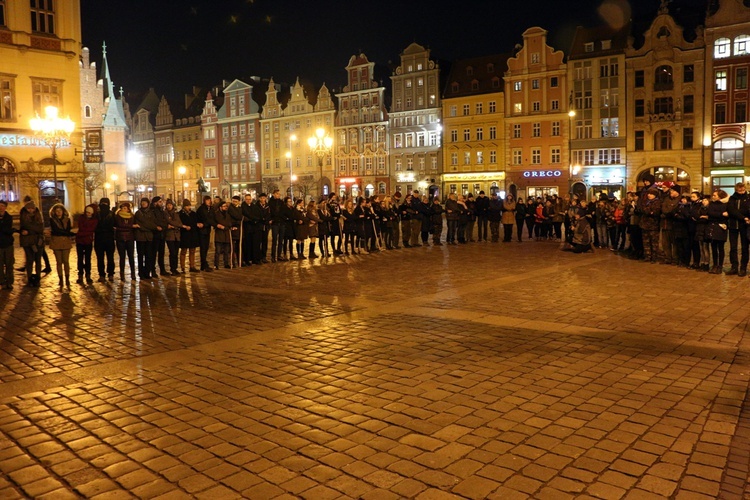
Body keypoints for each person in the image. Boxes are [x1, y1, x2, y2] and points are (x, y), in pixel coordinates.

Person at [19, 196, 44, 287]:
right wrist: (34, 229)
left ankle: (37, 278)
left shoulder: (38, 216)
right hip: (27, 242)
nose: (31, 210)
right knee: (29, 260)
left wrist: (29, 230)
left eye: (32, 208)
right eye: (29, 208)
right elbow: (23, 227)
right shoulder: (23, 216)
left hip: (38, 241)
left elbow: (40, 228)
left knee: (38, 260)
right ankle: (29, 278)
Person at [726, 182, 749, 276]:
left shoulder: (748, 198)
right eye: (740, 189)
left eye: (743, 189)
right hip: (733, 225)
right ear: (736, 189)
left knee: (745, 248)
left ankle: (743, 268)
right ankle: (734, 267)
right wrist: (743, 217)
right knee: (733, 247)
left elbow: (747, 210)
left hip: (744, 226)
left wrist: (737, 213)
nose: (741, 190)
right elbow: (731, 210)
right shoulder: (732, 198)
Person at [49, 203, 74, 289]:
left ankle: (67, 278)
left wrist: (66, 232)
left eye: (60, 210)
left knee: (66, 261)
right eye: (57, 211)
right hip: (56, 242)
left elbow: (67, 229)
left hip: (66, 242)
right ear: (54, 212)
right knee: (59, 262)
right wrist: (68, 233)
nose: (58, 212)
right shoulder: (52, 220)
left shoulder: (67, 220)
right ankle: (61, 279)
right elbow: (56, 231)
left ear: (63, 211)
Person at [706, 190, 730, 274]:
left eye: (715, 195)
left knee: (721, 247)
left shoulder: (726, 204)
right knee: (713, 247)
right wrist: (721, 214)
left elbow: (727, 215)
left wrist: (717, 215)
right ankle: (715, 265)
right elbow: (710, 213)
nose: (713, 196)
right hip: (713, 226)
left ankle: (720, 265)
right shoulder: (712, 204)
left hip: (721, 227)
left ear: (720, 196)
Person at [134, 197, 157, 280]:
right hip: (140, 237)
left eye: (145, 202)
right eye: (142, 202)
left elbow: (153, 224)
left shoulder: (151, 213)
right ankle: (141, 273)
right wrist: (150, 227)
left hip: (149, 237)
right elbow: (143, 223)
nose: (143, 204)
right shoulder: (138, 213)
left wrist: (149, 227)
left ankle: (147, 272)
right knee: (140, 256)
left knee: (148, 256)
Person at [94, 197, 116, 282]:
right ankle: (101, 274)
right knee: (100, 258)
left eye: (105, 203)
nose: (104, 205)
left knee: (110, 258)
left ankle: (110, 273)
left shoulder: (112, 214)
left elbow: (114, 224)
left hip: (109, 239)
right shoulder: (97, 214)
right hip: (99, 239)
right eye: (102, 203)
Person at [114, 201, 137, 280]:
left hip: (130, 238)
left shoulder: (132, 216)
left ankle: (133, 273)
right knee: (122, 257)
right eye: (122, 208)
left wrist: (119, 228)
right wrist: (131, 226)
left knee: (131, 257)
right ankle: (122, 274)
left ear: (128, 209)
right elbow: (120, 225)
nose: (123, 209)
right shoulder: (117, 216)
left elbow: (119, 227)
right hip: (120, 238)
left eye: (125, 208)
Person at [640, 188, 662, 263]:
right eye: (648, 193)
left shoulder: (657, 202)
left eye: (651, 194)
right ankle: (647, 256)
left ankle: (654, 257)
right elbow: (642, 209)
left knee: (654, 242)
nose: (649, 195)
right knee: (646, 242)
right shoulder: (646, 202)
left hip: (653, 225)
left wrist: (648, 211)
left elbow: (655, 212)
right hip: (644, 224)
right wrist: (648, 211)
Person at [178, 199, 200, 273]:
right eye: (187, 206)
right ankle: (183, 267)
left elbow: (195, 223)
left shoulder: (193, 214)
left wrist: (194, 226)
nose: (188, 207)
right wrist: (185, 227)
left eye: (189, 205)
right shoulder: (180, 214)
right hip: (184, 234)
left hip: (192, 234)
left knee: (192, 251)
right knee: (183, 251)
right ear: (184, 206)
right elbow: (179, 224)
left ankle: (192, 266)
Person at [249, 193, 271, 264]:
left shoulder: (267, 206)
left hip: (266, 226)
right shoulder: (256, 206)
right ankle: (258, 257)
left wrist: (267, 220)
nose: (262, 199)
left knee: (265, 242)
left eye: (264, 198)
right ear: (259, 199)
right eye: (261, 198)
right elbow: (255, 215)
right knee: (258, 242)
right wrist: (262, 219)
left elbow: (269, 215)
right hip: (259, 226)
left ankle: (263, 256)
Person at [150, 196, 169, 277]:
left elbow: (165, 221)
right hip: (155, 235)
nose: (162, 203)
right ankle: (153, 270)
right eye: (160, 202)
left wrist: (163, 225)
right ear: (155, 203)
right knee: (153, 254)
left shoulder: (162, 211)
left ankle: (162, 269)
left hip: (162, 235)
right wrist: (161, 225)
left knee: (161, 253)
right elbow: (155, 221)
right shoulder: (152, 211)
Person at [163, 199, 182, 275]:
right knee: (172, 252)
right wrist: (175, 224)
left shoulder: (176, 213)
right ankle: (172, 268)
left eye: (170, 205)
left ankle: (175, 268)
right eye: (168, 205)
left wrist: (174, 225)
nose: (169, 206)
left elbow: (179, 223)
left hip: (177, 236)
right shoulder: (165, 214)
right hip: (169, 236)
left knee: (176, 253)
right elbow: (168, 221)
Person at [212, 200, 232, 268]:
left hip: (226, 234)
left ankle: (226, 264)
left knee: (226, 251)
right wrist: (221, 226)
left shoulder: (228, 215)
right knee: (218, 251)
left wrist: (226, 227)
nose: (225, 208)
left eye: (226, 206)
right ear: (220, 207)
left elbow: (229, 223)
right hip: (219, 234)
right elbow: (217, 222)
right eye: (224, 206)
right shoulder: (216, 214)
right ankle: (216, 264)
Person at [196, 195, 214, 272]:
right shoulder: (201, 209)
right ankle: (204, 263)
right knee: (203, 248)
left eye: (209, 200)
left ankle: (204, 264)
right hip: (202, 231)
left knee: (206, 248)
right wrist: (204, 224)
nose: (209, 201)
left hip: (207, 230)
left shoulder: (211, 209)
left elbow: (212, 218)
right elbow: (207, 219)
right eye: (207, 200)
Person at [0, 200, 14, 290]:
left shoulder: (9, 217)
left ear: (5, 207)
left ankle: (9, 281)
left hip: (8, 243)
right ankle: (2, 281)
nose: (1, 207)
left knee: (9, 263)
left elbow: (7, 229)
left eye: (2, 205)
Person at [694, 194, 711, 272]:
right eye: (703, 200)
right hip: (699, 229)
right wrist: (701, 217)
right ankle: (703, 262)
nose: (704, 202)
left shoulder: (709, 209)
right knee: (701, 248)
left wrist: (703, 217)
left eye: (706, 200)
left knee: (705, 247)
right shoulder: (700, 208)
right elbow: (696, 217)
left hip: (706, 230)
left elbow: (708, 218)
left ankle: (706, 263)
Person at [268, 190, 285, 263]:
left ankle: (279, 255)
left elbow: (283, 211)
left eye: (279, 194)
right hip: (275, 223)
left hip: (281, 223)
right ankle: (273, 256)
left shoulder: (281, 202)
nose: (278, 195)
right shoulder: (270, 202)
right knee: (274, 240)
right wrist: (272, 219)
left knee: (281, 240)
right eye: (277, 194)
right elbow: (271, 212)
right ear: (273, 194)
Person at [228, 196, 243, 267]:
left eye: (236, 201)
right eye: (233, 201)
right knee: (232, 248)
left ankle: (239, 261)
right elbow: (238, 217)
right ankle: (232, 263)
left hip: (239, 229)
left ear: (239, 202)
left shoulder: (240, 208)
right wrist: (239, 220)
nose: (234, 203)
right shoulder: (230, 208)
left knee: (239, 247)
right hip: (233, 229)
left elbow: (241, 216)